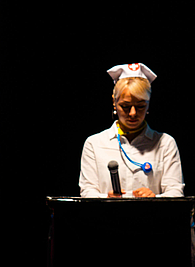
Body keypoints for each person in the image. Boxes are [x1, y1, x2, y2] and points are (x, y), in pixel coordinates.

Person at [78, 63, 184, 199]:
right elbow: (87, 192)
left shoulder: (165, 143)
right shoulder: (94, 143)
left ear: (149, 104)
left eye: (140, 106)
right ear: (114, 102)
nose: (133, 113)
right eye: (125, 106)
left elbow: (175, 192)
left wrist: (154, 199)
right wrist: (107, 200)